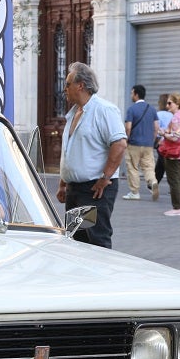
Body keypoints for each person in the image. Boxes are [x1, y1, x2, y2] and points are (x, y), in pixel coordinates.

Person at [55, 62, 127, 248]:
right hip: (75, 188)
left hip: (94, 188)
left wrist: (105, 177)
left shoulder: (103, 110)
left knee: (95, 240)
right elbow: (71, 151)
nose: (65, 89)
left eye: (68, 84)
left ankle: (100, 277)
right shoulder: (73, 113)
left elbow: (119, 144)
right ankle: (81, 276)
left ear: (80, 85)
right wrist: (63, 184)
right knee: (76, 240)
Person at [122, 84, 158, 200]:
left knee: (133, 167)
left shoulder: (131, 109)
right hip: (148, 144)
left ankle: (134, 192)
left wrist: (126, 139)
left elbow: (128, 127)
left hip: (134, 143)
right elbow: (156, 127)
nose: (131, 95)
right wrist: (152, 140)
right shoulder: (152, 109)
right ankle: (152, 182)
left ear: (136, 94)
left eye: (132, 93)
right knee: (148, 167)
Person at [160, 92, 180, 216]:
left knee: (174, 180)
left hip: (173, 153)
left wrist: (163, 134)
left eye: (170, 103)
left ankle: (177, 207)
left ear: (177, 104)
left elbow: (175, 138)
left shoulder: (177, 118)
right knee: (179, 180)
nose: (167, 106)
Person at [153, 93, 173, 184]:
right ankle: (155, 182)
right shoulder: (173, 115)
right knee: (163, 163)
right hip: (171, 142)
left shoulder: (158, 114)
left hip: (161, 142)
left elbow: (156, 129)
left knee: (163, 163)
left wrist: (155, 141)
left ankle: (155, 183)